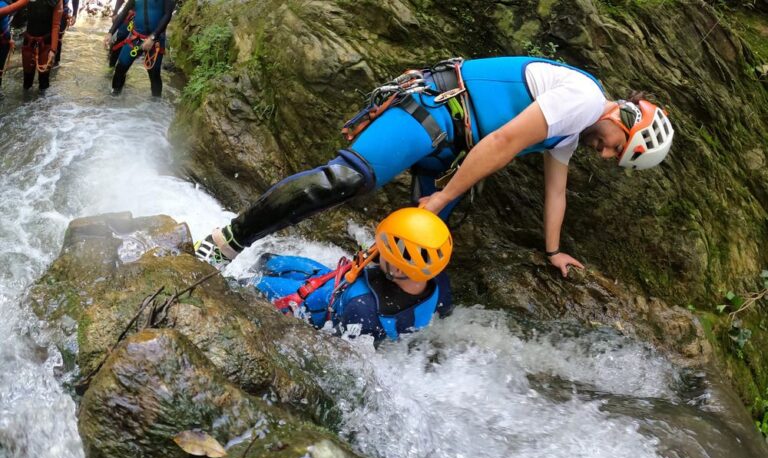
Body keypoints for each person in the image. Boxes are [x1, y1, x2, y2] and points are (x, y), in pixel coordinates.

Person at [194, 56, 675, 277]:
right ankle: (227, 241)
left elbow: (557, 191)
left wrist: (553, 252)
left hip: (451, 146)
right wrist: (444, 196)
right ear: (625, 119)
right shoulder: (585, 99)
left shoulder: (574, 127)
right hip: (434, 111)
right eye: (618, 148)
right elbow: (505, 141)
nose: (608, 155)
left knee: (419, 257)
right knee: (346, 179)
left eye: (617, 160)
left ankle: (342, 295)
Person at [249, 207, 453, 343]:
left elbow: (340, 350)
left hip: (316, 306)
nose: (377, 250)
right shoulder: (434, 276)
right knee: (268, 260)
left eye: (384, 250)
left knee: (248, 283)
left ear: (398, 269)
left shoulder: (364, 310)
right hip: (334, 284)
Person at [104, 0, 175, 97]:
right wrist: (110, 32)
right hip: (135, 37)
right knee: (120, 69)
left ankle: (155, 104)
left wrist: (153, 37)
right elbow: (125, 12)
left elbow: (167, 15)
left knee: (154, 75)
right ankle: (114, 100)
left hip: (156, 40)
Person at [12, 0, 63, 93]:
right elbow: (12, 12)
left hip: (46, 42)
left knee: (44, 82)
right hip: (29, 41)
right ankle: (25, 106)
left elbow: (56, 26)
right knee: (27, 82)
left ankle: (43, 107)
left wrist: (53, 49)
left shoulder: (57, 1)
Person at [106, 0, 132, 69]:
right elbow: (124, 12)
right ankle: (110, 68)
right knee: (117, 44)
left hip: (140, 25)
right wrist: (115, 13)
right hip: (127, 19)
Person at [53, 0, 76, 66]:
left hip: (62, 12)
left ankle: (56, 60)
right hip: (48, 10)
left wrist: (74, 14)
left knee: (58, 38)